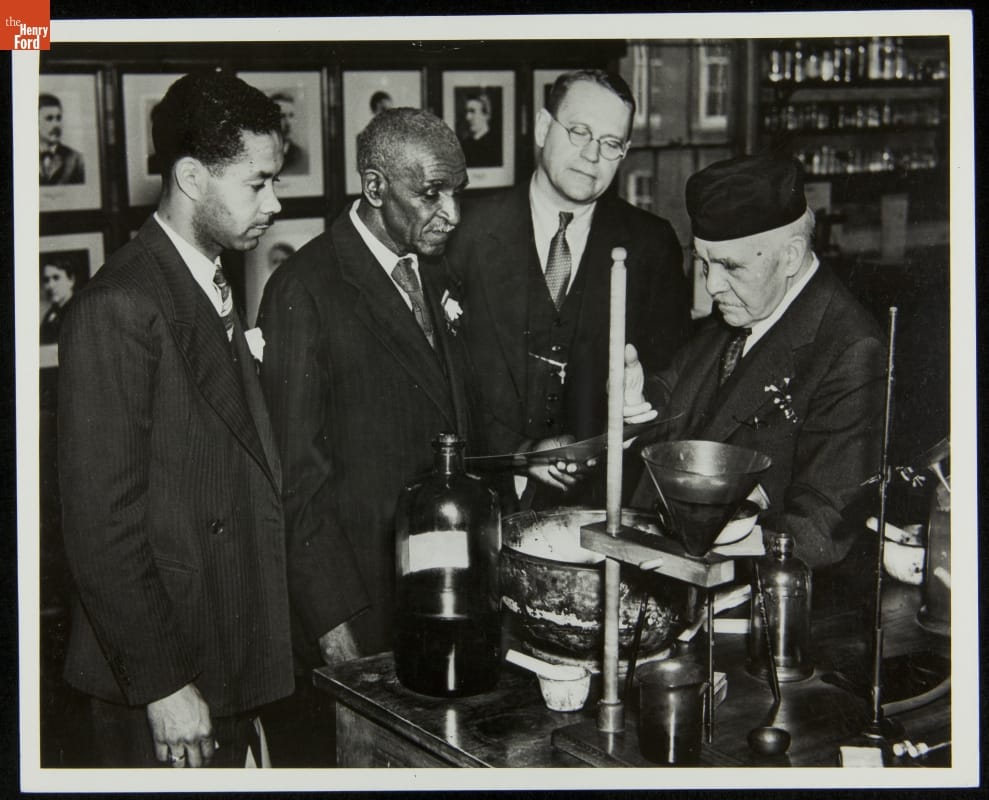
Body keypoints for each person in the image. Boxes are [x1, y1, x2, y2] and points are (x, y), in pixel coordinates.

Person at [57, 71, 319, 768]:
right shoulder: (119, 306)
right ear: (194, 177)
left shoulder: (203, 280)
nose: (276, 200)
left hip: (222, 648)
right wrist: (166, 684)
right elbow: (99, 528)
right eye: (258, 182)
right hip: (161, 672)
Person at [257, 107, 476, 666]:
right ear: (375, 187)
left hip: (439, 584)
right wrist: (333, 625)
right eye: (431, 194)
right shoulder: (302, 290)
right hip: (361, 603)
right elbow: (294, 483)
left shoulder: (437, 266)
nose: (451, 214)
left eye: (457, 192)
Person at [627, 152, 886, 570]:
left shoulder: (851, 349)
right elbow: (675, 385)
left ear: (790, 255)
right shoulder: (744, 308)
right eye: (703, 263)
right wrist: (634, 399)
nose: (712, 285)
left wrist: (713, 538)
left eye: (730, 266)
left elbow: (822, 528)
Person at [445, 69, 692, 509]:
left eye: (611, 143)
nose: (592, 155)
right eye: (579, 131)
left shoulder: (651, 244)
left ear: (625, 153)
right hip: (480, 501)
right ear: (543, 128)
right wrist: (520, 453)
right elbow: (442, 380)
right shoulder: (465, 233)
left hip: (600, 510)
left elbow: (672, 384)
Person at [39, 93, 85, 185]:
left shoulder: (77, 160)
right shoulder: (21, 157)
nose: (56, 125)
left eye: (59, 118)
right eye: (49, 118)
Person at [40, 256, 79, 345]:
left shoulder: (78, 311)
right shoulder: (52, 312)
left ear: (71, 280)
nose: (50, 285)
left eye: (56, 278)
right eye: (46, 280)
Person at [270, 91, 308, 175]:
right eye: (282, 116)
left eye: (291, 115)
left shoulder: (301, 155)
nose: (288, 122)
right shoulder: (260, 152)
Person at [460, 91, 499, 167]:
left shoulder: (496, 146)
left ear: (486, 115)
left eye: (472, 111)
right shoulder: (465, 145)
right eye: (467, 112)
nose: (467, 117)